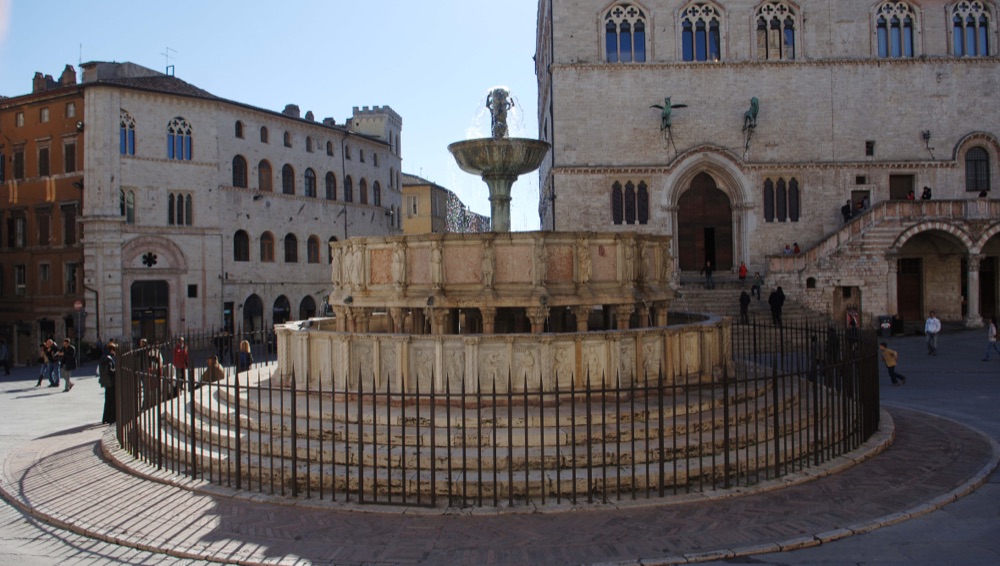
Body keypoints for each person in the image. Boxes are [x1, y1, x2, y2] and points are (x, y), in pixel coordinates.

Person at [99, 344, 117, 424]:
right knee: (112, 400)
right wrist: (116, 371)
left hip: (106, 382)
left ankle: (106, 417)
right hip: (110, 381)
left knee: (108, 400)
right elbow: (109, 371)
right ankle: (112, 418)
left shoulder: (103, 357)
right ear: (112, 350)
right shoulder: (108, 358)